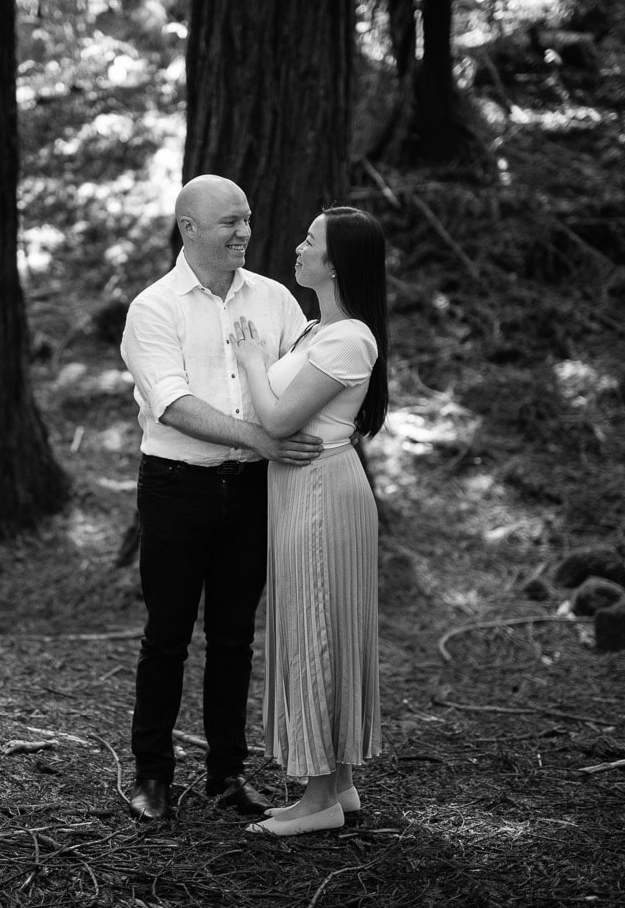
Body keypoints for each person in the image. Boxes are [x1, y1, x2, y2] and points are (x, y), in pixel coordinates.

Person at [118, 174, 325, 822]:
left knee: (234, 637)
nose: (244, 231)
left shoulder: (273, 299)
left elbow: (308, 376)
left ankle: (226, 774)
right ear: (188, 228)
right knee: (167, 636)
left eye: (247, 218)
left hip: (255, 491)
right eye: (229, 221)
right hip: (177, 488)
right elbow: (175, 406)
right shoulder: (153, 308)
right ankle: (151, 774)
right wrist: (264, 438)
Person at [227, 206, 389, 836]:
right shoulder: (319, 331)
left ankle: (317, 800)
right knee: (320, 622)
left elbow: (276, 420)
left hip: (321, 490)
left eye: (310, 242)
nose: (296, 248)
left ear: (336, 261)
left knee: (317, 625)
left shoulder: (350, 338)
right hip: (303, 486)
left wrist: (245, 357)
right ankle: (339, 785)